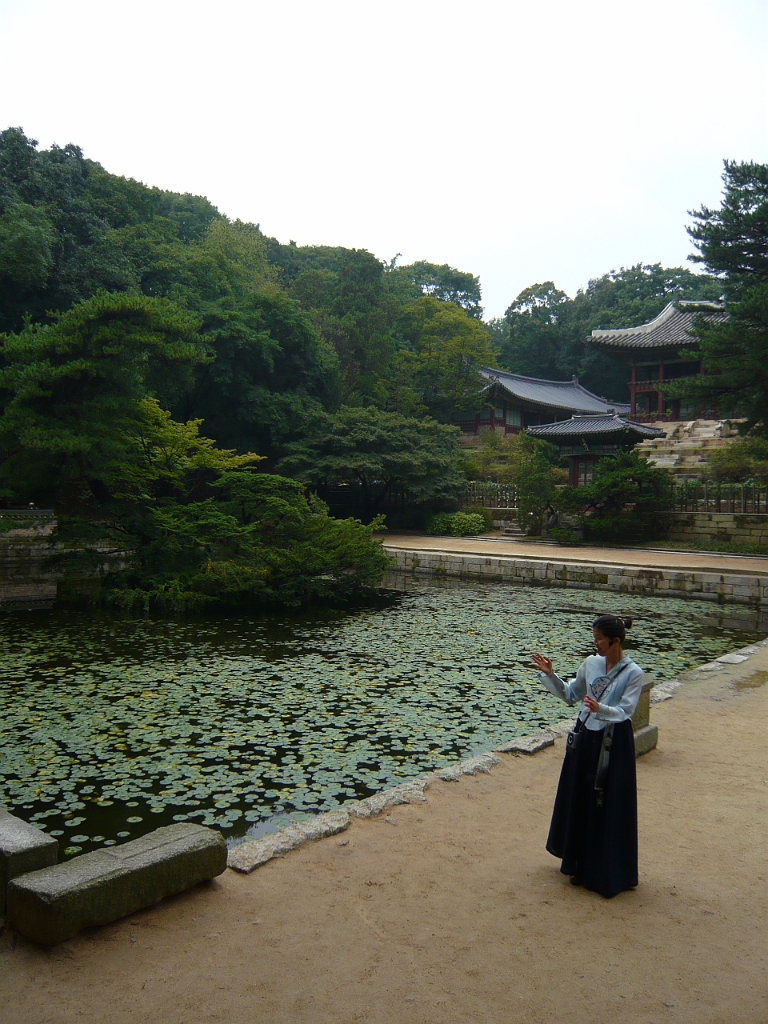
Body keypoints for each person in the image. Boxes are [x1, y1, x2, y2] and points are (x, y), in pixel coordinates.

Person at [531, 614, 644, 898]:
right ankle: (579, 865)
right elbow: (571, 695)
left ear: (615, 641)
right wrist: (549, 674)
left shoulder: (633, 673)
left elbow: (626, 711)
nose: (594, 643)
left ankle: (606, 872)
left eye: (599, 639)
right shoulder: (590, 664)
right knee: (581, 798)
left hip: (613, 743)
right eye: (593, 637)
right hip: (584, 740)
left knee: (608, 804)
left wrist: (600, 709)